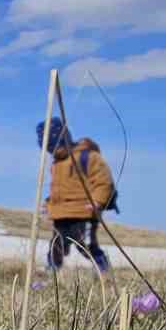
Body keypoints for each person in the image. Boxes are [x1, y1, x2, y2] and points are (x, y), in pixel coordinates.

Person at [39, 117, 116, 273]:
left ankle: (104, 270)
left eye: (56, 147)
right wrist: (48, 204)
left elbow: (104, 181)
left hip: (85, 212)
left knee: (86, 244)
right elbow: (58, 190)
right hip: (61, 213)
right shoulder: (56, 164)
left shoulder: (88, 157)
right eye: (50, 149)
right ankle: (52, 270)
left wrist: (97, 202)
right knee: (56, 244)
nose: (54, 151)